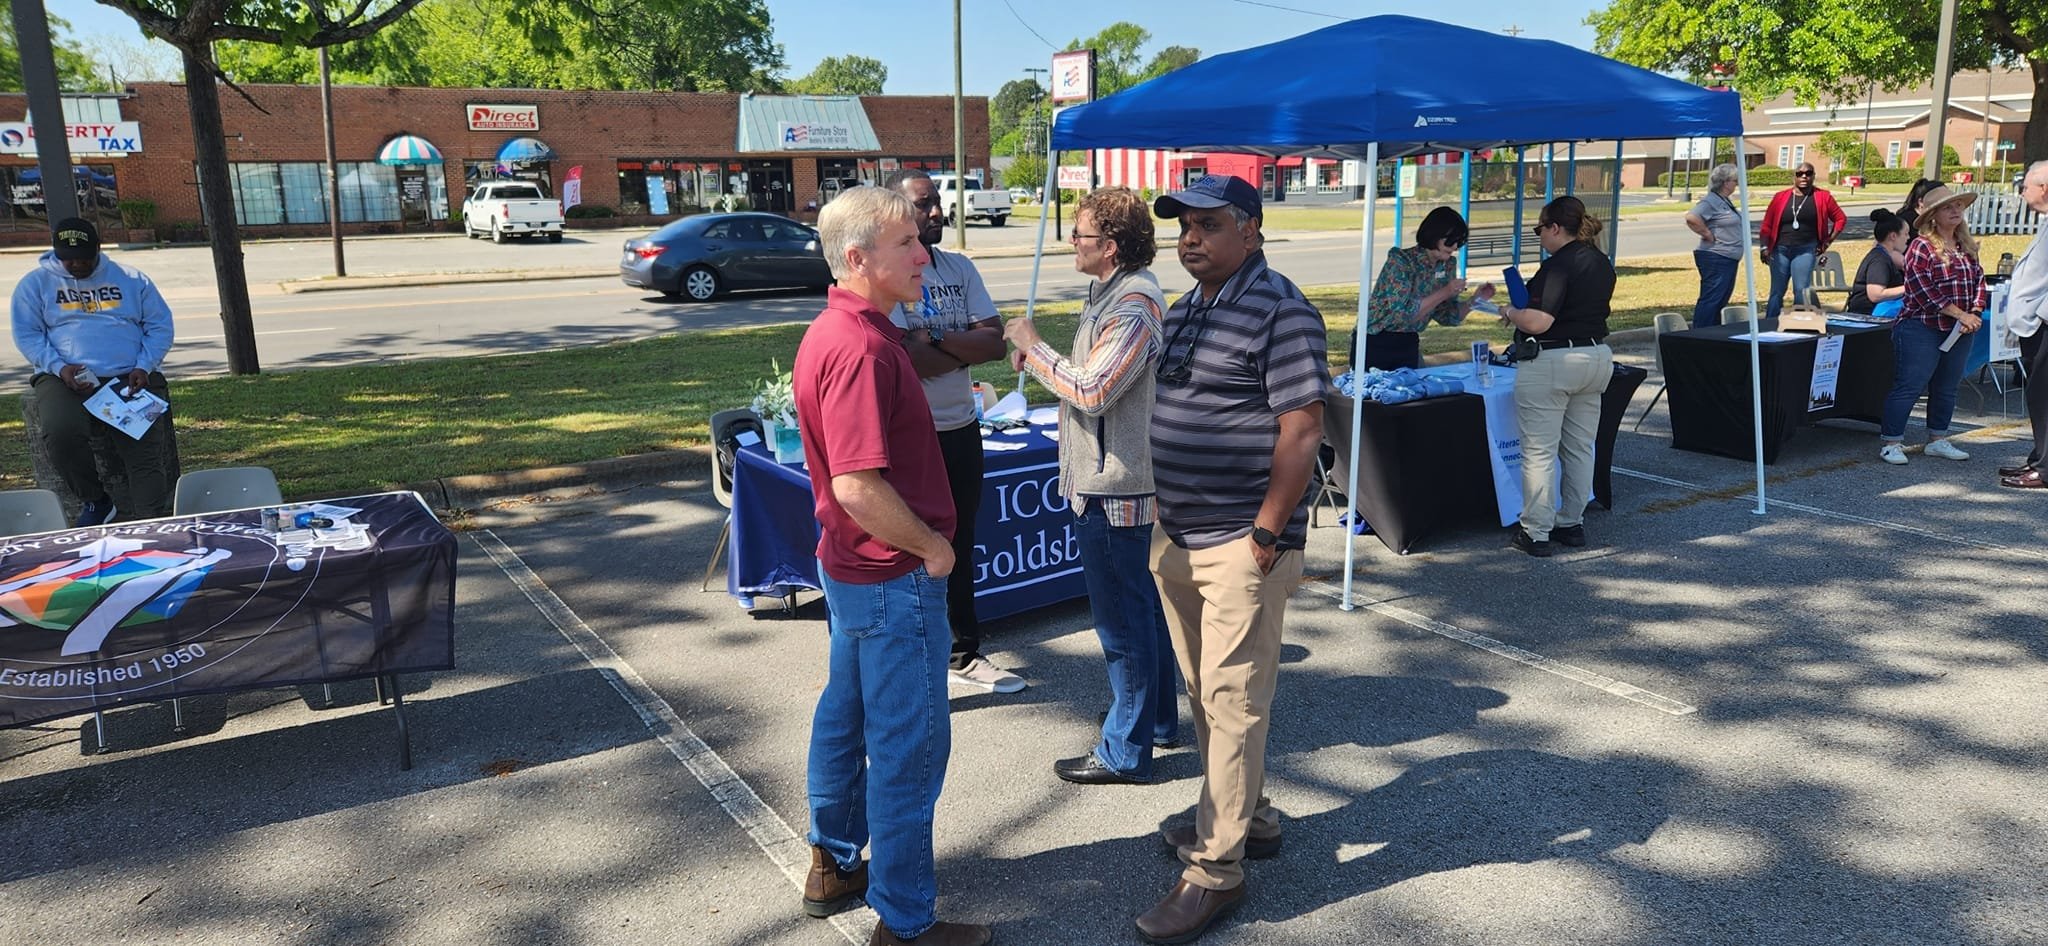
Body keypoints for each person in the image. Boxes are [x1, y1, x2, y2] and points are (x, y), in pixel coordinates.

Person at [792, 185, 991, 946]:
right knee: (908, 748)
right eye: (906, 244)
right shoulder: (862, 347)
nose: (923, 253)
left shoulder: (849, 331)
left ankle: (835, 861)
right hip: (889, 577)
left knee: (844, 719)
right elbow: (855, 484)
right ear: (857, 258)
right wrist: (935, 549)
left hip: (857, 573)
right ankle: (905, 923)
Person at [1139, 174, 1327, 945]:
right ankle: (1251, 813)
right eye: (1183, 223)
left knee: (1233, 699)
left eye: (1209, 224)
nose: (1190, 237)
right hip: (1179, 536)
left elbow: (1303, 428)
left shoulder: (1282, 310)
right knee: (1206, 694)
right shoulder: (1189, 307)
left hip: (1238, 544)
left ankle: (1216, 871)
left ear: (1249, 229)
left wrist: (1263, 534)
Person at [1004, 186, 1179, 784]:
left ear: (1109, 245)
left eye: (1078, 235)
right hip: (1105, 482)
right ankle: (1153, 722)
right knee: (1139, 610)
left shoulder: (1134, 304)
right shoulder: (1108, 292)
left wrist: (1034, 348)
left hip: (1116, 489)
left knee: (1122, 623)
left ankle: (1124, 750)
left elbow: (1095, 389)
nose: (1070, 244)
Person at [884, 168, 1025, 694]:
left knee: (960, 545)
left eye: (937, 202)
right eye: (924, 205)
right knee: (915, 549)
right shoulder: (891, 278)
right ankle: (915, 663)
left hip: (963, 429)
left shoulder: (959, 267)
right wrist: (957, 338)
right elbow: (906, 358)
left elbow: (993, 345)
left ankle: (963, 654)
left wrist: (936, 335)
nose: (938, 212)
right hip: (911, 440)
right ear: (897, 212)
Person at [10, 216, 175, 525]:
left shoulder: (131, 278)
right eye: (67, 258)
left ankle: (150, 522)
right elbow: (28, 335)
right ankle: (96, 502)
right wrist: (59, 367)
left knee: (144, 452)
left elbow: (159, 326)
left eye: (84, 258)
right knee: (60, 433)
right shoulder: (35, 284)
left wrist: (144, 365)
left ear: (98, 249)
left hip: (128, 375)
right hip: (64, 376)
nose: (76, 265)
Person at [1499, 196, 1614, 557]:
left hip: (1554, 359)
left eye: (1539, 229)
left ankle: (1536, 531)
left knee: (1539, 451)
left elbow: (1538, 321)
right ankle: (1571, 522)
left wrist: (1510, 311)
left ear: (1554, 228)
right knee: (1580, 447)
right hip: (1595, 355)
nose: (1539, 237)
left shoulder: (1558, 266)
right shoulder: (1600, 261)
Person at [1878, 184, 1984, 467]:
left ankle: (1938, 439)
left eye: (1959, 206)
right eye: (1948, 207)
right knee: (1910, 384)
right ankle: (1891, 442)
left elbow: (1979, 283)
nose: (1956, 211)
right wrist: (1961, 315)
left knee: (1947, 386)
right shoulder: (1921, 247)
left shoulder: (1967, 246)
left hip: (1960, 328)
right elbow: (1923, 290)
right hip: (1921, 326)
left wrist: (1974, 311)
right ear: (1933, 215)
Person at [1353, 207, 1494, 369]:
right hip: (1375, 341)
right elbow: (1403, 315)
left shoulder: (1447, 265)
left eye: (1459, 242)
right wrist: (1446, 291)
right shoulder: (1401, 261)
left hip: (1408, 342)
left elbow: (1448, 316)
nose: (1455, 246)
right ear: (1434, 235)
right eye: (1450, 240)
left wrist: (1474, 301)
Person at [2000, 161, 2048, 488]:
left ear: (2043, 188)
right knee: (2038, 395)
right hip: (2034, 324)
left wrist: (2041, 314)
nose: (2022, 191)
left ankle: (2044, 469)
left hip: (2043, 323)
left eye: (2026, 185)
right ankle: (2039, 459)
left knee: (2044, 396)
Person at [1757, 162, 1846, 319]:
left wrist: (1828, 241)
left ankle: (1798, 325)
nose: (1804, 176)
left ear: (1813, 176)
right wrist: (1764, 247)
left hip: (1805, 249)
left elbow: (1840, 219)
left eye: (1808, 173)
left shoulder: (1823, 197)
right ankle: (1769, 325)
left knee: (1801, 289)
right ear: (1794, 176)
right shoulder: (1780, 197)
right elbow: (1767, 225)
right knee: (1777, 291)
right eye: (1800, 173)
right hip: (1780, 249)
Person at [1684, 163, 1744, 328]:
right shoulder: (1711, 201)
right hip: (1716, 256)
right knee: (1711, 299)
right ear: (1725, 182)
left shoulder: (1723, 201)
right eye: (1735, 180)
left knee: (1719, 300)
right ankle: (1701, 334)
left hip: (1728, 257)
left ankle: (1712, 333)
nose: (1737, 183)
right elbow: (1691, 217)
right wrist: (1706, 233)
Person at [1844, 210, 1910, 317]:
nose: (1908, 238)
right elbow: (1875, 294)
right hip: (1867, 318)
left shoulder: (1883, 255)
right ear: (1893, 236)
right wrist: (1909, 287)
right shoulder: (1879, 260)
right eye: (1906, 234)